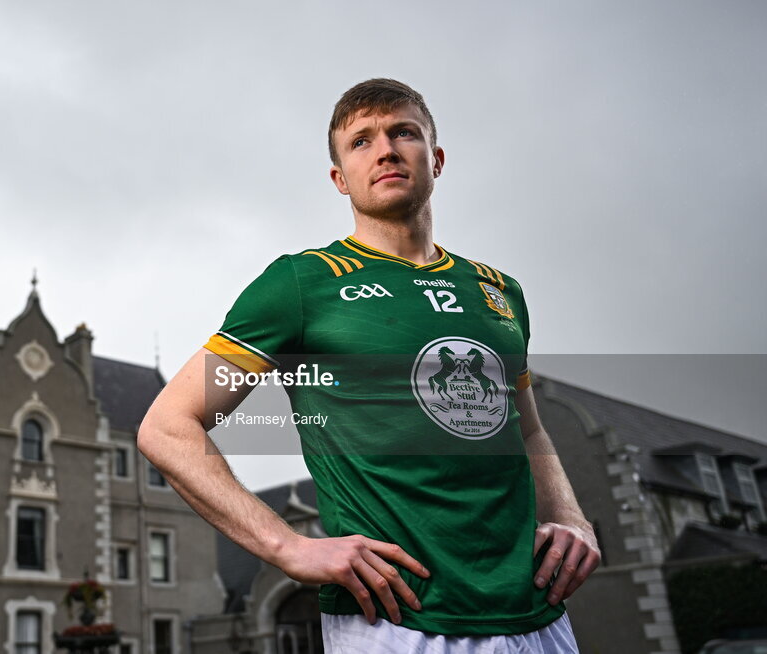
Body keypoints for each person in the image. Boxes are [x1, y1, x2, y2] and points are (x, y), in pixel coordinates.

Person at [138, 78, 600, 652]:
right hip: (396, 619)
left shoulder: (500, 290)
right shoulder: (301, 283)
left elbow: (527, 429)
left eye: (403, 132)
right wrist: (287, 546)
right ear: (340, 178)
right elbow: (167, 426)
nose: (385, 150)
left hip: (539, 613)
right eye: (361, 141)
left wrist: (572, 519)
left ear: (435, 159)